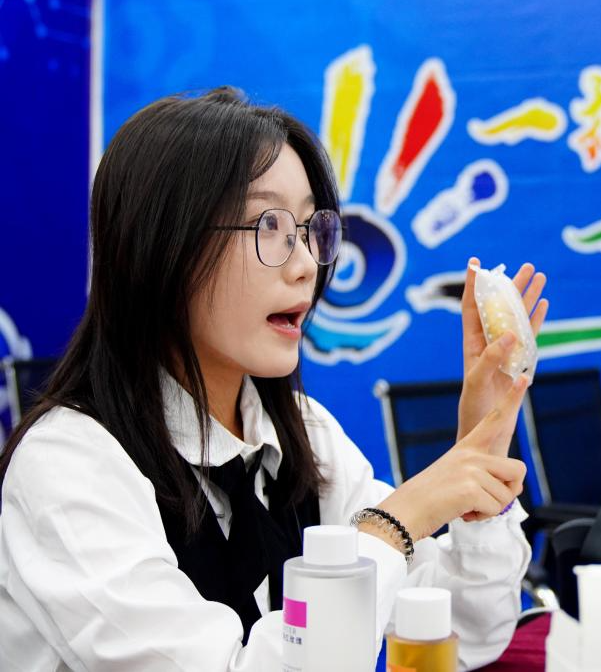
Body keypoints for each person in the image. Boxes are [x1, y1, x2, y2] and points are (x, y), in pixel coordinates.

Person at [0, 87, 549, 671]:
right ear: (161, 245)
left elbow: (466, 633)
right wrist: (396, 522)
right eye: (268, 225)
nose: (307, 263)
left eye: (310, 228)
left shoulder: (303, 435)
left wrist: (481, 459)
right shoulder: (69, 465)